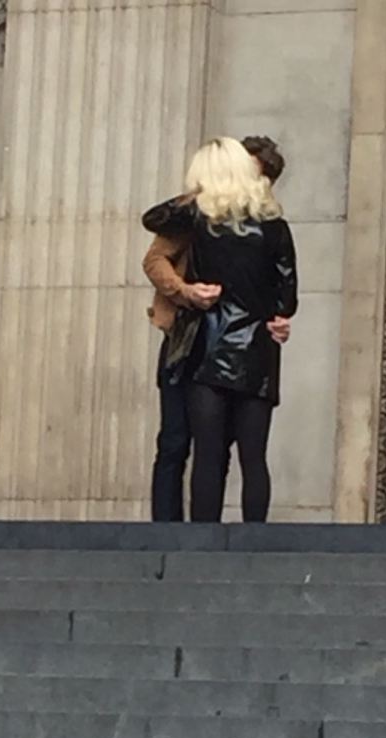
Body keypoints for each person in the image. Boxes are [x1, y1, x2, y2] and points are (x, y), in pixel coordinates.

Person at [142, 136, 298, 523]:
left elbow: (153, 216)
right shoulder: (275, 225)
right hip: (255, 347)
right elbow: (287, 291)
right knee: (250, 454)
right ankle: (252, 540)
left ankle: (201, 539)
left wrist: (197, 192)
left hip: (208, 342)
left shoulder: (200, 218)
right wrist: (277, 316)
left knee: (208, 452)